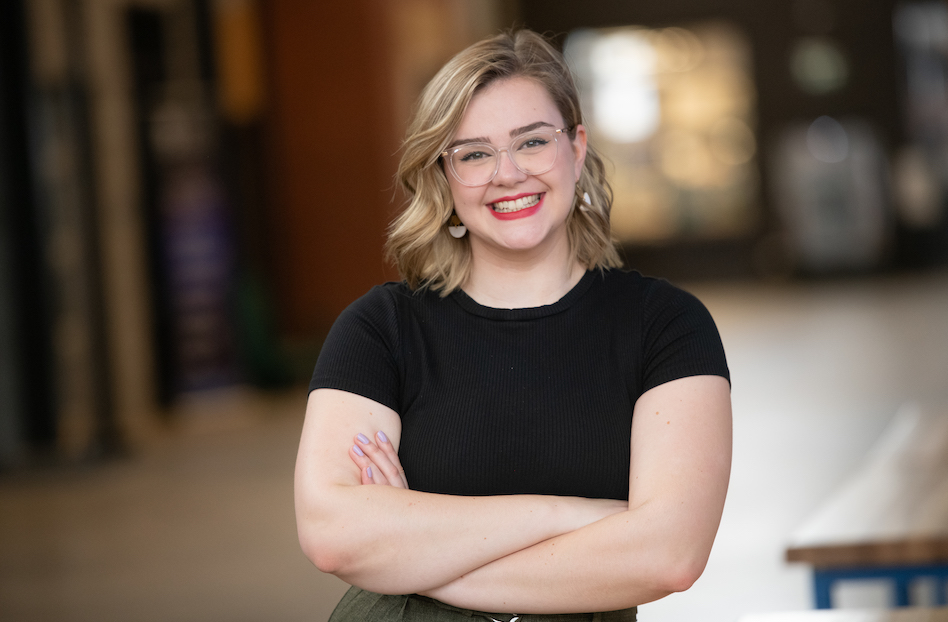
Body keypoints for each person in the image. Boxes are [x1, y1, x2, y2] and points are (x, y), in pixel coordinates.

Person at [294, 29, 732, 622]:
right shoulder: (381, 329)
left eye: (531, 142)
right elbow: (333, 536)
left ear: (576, 149)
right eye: (474, 153)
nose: (507, 173)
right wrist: (568, 514)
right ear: (444, 178)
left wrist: (417, 557)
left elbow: (669, 555)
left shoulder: (666, 327)